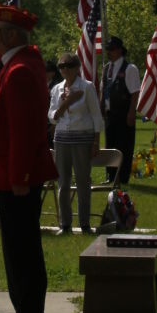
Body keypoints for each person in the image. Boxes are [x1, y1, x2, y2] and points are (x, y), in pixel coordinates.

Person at [0, 1, 56, 313]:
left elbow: (24, 132)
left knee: (21, 249)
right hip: (7, 173)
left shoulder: (20, 70)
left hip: (16, 176)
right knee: (17, 246)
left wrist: (20, 177)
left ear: (10, 36)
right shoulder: (14, 63)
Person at [49, 53, 104, 232]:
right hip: (62, 138)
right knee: (63, 183)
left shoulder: (87, 87)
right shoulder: (56, 89)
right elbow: (51, 116)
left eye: (69, 65)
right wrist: (63, 107)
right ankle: (65, 224)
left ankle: (84, 223)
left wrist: (96, 141)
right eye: (61, 66)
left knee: (82, 181)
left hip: (83, 138)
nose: (65, 69)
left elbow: (96, 114)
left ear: (77, 67)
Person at [101, 36, 141, 183]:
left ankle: (122, 176)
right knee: (110, 145)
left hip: (124, 112)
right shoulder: (107, 68)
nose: (109, 52)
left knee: (123, 145)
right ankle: (110, 175)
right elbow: (103, 88)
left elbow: (135, 92)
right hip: (109, 112)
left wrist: (131, 112)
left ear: (119, 50)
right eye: (108, 50)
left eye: (111, 49)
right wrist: (101, 106)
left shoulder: (129, 68)